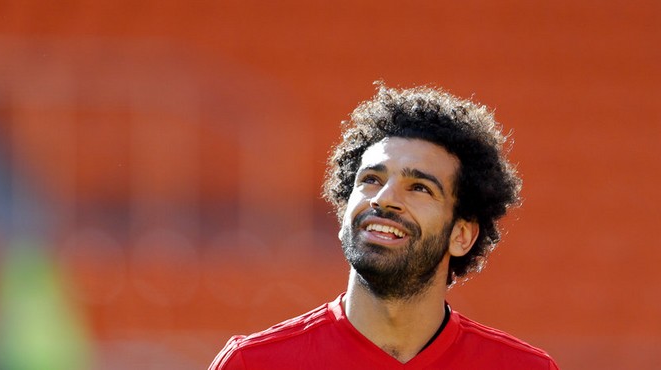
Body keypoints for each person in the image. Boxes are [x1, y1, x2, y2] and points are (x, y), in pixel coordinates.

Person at [209, 82, 559, 369]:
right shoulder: (252, 363)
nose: (384, 198)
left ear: (462, 235)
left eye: (420, 187)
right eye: (372, 179)